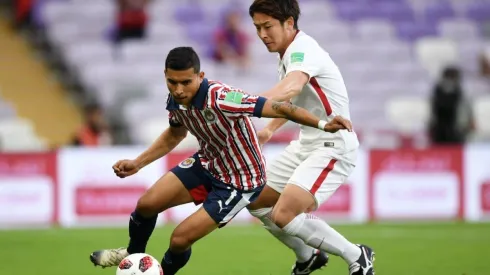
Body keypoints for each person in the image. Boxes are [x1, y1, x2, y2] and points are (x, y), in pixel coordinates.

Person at [89, 46, 353, 275]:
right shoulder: (175, 99)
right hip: (208, 163)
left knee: (179, 239)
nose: (179, 90)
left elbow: (278, 106)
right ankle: (134, 257)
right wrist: (138, 163)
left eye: (185, 83)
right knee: (146, 205)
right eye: (172, 82)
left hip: (239, 181)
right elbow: (175, 133)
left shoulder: (224, 97)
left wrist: (321, 122)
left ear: (200, 77)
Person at [245, 1, 375, 275]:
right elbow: (293, 97)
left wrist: (245, 104)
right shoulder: (287, 54)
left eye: (268, 26)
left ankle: (357, 255)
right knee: (255, 200)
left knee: (283, 215)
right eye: (257, 27)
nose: (262, 34)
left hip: (333, 145)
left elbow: (291, 86)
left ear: (289, 23)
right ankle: (308, 257)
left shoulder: (303, 50)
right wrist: (270, 129)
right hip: (307, 142)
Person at [429, 66, 473, 144]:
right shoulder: (437, 91)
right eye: (449, 77)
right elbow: (434, 110)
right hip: (440, 129)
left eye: (453, 77)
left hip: (456, 130)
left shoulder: (461, 92)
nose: (450, 82)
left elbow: (465, 112)